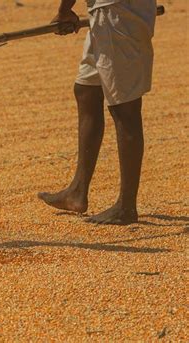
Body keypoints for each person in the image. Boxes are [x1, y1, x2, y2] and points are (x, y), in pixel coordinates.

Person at [37, 0, 157, 225]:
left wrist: (64, 11)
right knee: (86, 90)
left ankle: (126, 206)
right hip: (105, 12)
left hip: (117, 12)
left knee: (125, 108)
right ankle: (77, 191)